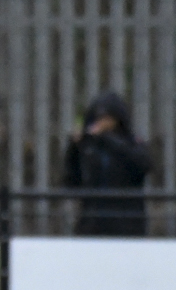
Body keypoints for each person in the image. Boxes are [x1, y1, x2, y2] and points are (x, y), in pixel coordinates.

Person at [63, 91, 152, 236]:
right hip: (92, 222)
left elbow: (144, 164)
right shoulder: (88, 146)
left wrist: (108, 139)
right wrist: (74, 148)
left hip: (127, 222)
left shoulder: (131, 142)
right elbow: (72, 181)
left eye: (108, 118)